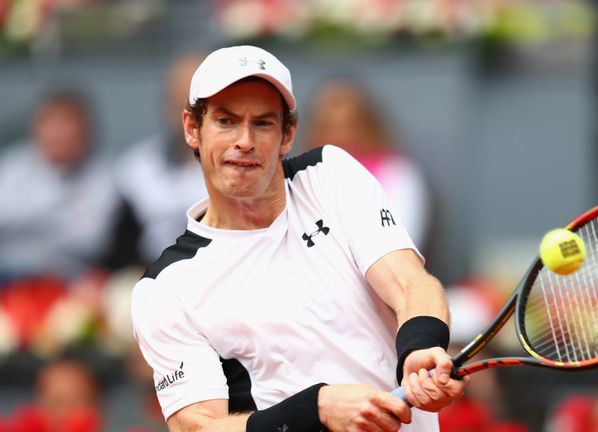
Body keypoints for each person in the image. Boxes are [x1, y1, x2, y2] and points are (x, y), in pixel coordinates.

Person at [131, 45, 468, 432]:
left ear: (288, 133)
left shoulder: (331, 174)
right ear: (192, 128)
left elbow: (409, 282)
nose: (244, 140)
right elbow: (198, 426)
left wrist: (421, 345)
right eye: (226, 121)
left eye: (263, 123)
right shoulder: (165, 288)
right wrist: (318, 408)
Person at [0, 88, 117, 281]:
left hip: (67, 279)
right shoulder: (11, 167)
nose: (59, 133)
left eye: (67, 123)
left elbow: (90, 240)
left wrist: (22, 226)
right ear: (35, 127)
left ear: (86, 130)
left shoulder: (106, 175)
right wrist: (56, 216)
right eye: (51, 123)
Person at [305, 80, 432, 252]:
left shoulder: (397, 173)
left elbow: (403, 240)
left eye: (350, 126)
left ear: (370, 127)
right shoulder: (302, 177)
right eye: (329, 127)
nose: (340, 136)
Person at [109, 53, 207, 269]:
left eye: (199, 105)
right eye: (178, 101)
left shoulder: (241, 169)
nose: (188, 115)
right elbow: (119, 251)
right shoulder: (135, 168)